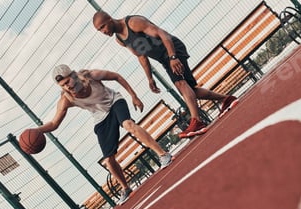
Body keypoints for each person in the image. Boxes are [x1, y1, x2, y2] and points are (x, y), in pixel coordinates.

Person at [38, 64, 172, 205]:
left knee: (128, 125)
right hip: (100, 117)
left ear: (73, 75)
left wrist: (134, 96)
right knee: (108, 160)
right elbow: (54, 123)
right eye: (63, 85)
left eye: (67, 82)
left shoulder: (91, 76)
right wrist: (37, 130)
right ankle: (125, 188)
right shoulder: (67, 99)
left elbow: (116, 76)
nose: (67, 87)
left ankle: (163, 154)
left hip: (114, 101)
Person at [92, 11, 239, 138]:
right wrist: (150, 78)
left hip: (173, 50)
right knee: (191, 91)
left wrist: (173, 57)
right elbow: (141, 56)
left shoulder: (133, 23)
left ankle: (197, 121)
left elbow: (162, 34)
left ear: (109, 19)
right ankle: (226, 99)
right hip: (164, 59)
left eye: (103, 26)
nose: (103, 31)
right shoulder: (120, 40)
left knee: (181, 85)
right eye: (99, 30)